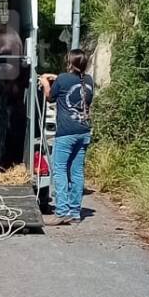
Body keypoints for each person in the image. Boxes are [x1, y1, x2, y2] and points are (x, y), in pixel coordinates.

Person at [39, 49, 94, 226]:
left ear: (70, 63)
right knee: (77, 172)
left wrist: (45, 83)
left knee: (60, 170)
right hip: (84, 132)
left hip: (66, 133)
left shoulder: (63, 79)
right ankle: (75, 212)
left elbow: (50, 97)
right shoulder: (89, 81)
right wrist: (56, 77)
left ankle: (62, 211)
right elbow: (72, 83)